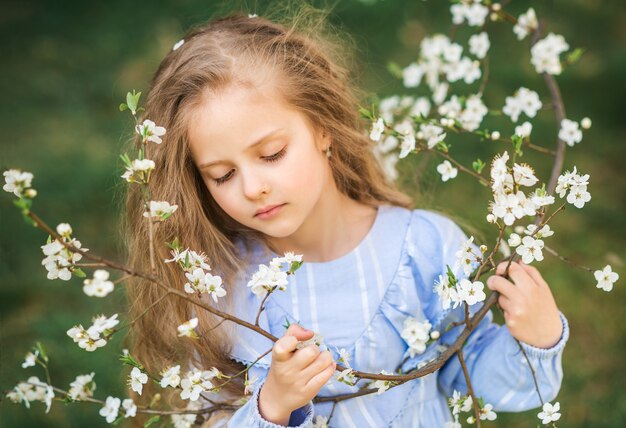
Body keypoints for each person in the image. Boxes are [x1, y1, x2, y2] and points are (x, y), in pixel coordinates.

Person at [123, 9, 568, 428]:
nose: (252, 187)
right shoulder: (219, 289)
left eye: (272, 154)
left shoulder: (425, 249)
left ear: (322, 128)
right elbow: (208, 412)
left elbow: (491, 382)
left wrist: (538, 337)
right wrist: (272, 405)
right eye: (223, 175)